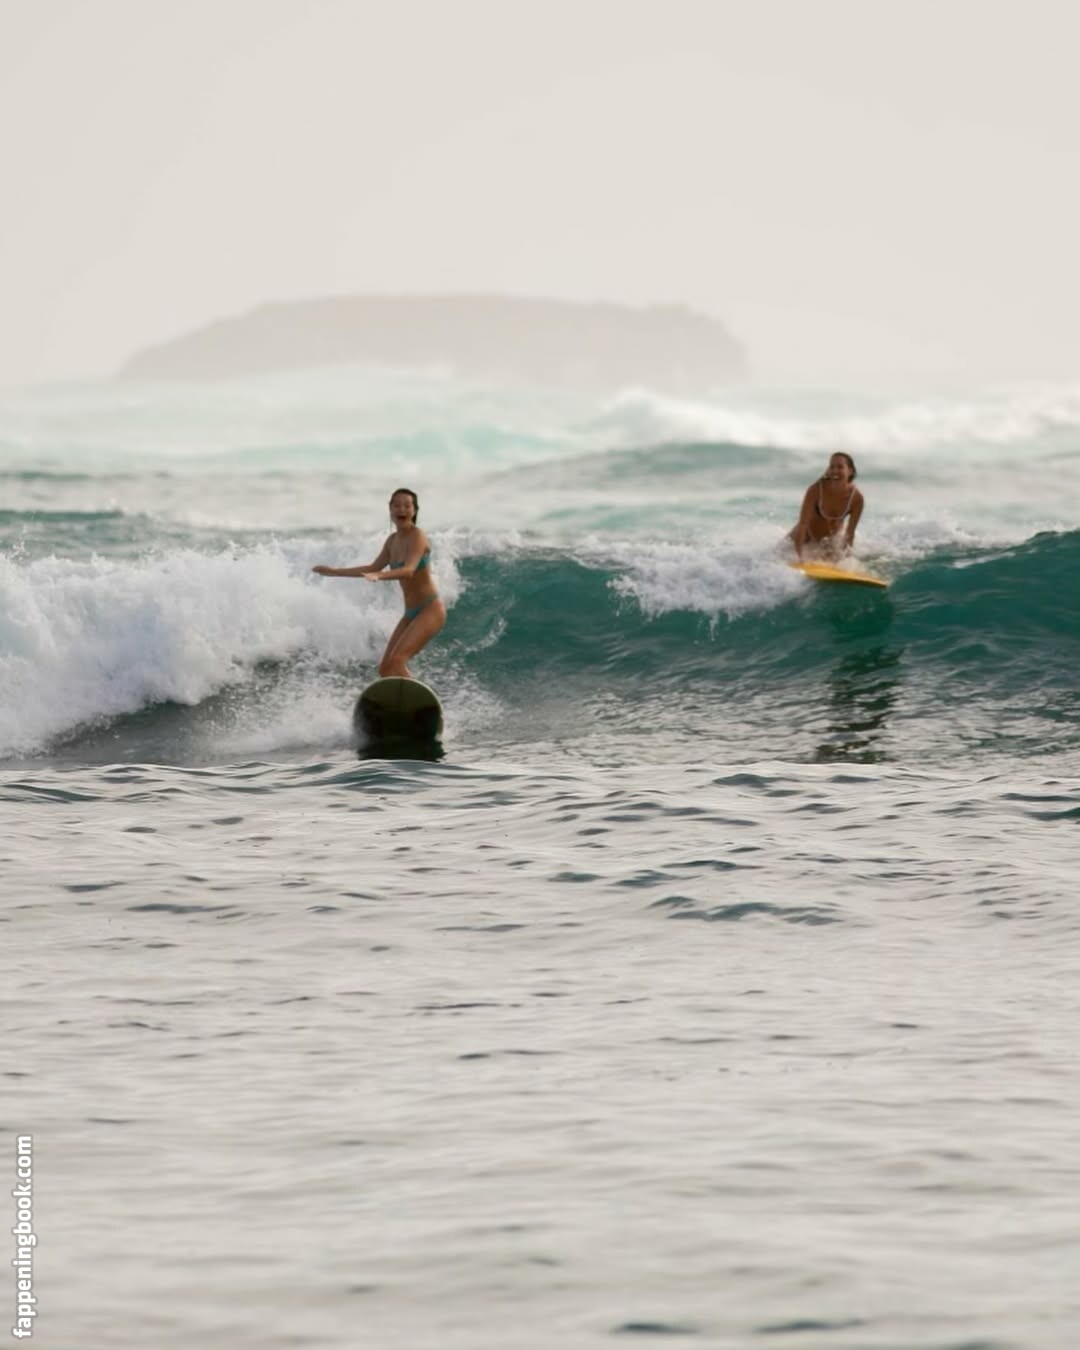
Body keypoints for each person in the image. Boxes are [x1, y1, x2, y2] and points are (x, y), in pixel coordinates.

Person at [312, 488, 445, 678]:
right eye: (396, 505)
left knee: (397, 660)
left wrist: (379, 576)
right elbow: (372, 567)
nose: (402, 509)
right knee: (385, 669)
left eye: (407, 506)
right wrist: (334, 572)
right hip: (410, 614)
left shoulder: (418, 536)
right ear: (390, 509)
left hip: (429, 609)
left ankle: (416, 696)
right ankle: (398, 697)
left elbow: (409, 570)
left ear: (415, 510)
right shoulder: (392, 541)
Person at [789, 452, 864, 558]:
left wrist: (846, 560)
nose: (835, 470)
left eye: (840, 467)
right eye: (832, 467)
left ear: (850, 471)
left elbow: (849, 534)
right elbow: (803, 525)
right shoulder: (816, 490)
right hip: (802, 540)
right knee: (776, 559)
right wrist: (799, 557)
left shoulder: (856, 499)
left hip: (828, 544)